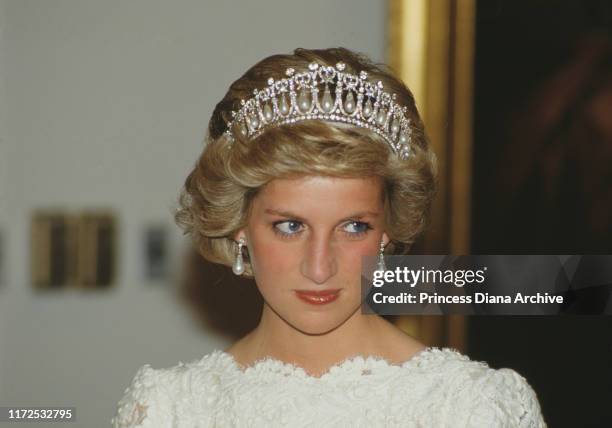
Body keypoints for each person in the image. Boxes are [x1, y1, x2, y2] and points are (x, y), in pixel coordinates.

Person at [111, 47, 546, 427]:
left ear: (387, 229)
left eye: (354, 226)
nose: (320, 268)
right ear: (239, 224)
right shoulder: (167, 410)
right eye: (290, 226)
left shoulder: (476, 409)